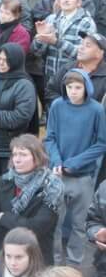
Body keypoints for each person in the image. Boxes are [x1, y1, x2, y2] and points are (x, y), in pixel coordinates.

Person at [44, 68, 106, 266]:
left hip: (82, 176)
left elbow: (101, 143)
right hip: (57, 174)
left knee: (79, 225)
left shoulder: (96, 110)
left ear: (86, 87)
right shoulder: (57, 106)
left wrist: (74, 163)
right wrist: (57, 161)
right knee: (54, 222)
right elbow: (50, 137)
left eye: (78, 87)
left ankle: (74, 263)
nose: (73, 91)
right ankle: (53, 262)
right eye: (69, 87)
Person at [0, 134, 61, 264]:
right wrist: (22, 225)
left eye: (23, 154)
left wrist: (3, 217)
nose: (17, 159)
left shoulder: (51, 187)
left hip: (35, 258)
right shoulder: (5, 180)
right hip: (2, 254)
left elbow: (36, 229)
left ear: (37, 157)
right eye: (15, 154)